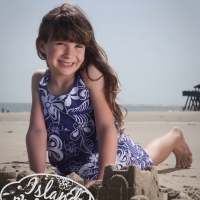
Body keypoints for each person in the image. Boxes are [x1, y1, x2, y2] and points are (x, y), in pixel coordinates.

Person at [26, 2, 192, 188]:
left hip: (110, 156)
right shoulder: (39, 80)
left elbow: (105, 127)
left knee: (147, 160)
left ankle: (174, 137)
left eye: (78, 45)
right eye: (60, 43)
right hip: (71, 165)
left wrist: (102, 179)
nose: (69, 53)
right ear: (42, 45)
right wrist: (37, 179)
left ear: (86, 48)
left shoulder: (90, 74)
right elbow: (37, 131)